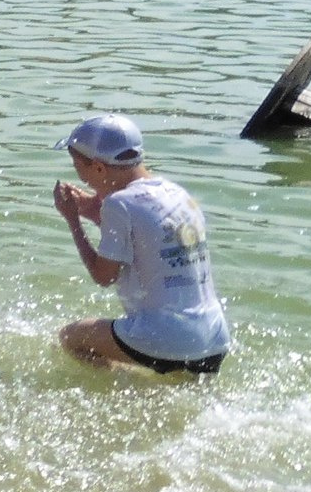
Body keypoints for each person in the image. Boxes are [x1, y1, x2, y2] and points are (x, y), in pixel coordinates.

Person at [51, 114, 231, 377]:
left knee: (71, 338)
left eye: (81, 169)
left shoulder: (118, 204)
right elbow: (146, 243)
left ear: (99, 168)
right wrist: (92, 213)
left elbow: (104, 276)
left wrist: (72, 221)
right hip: (213, 338)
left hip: (165, 337)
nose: (84, 180)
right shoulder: (176, 193)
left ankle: (132, 390)